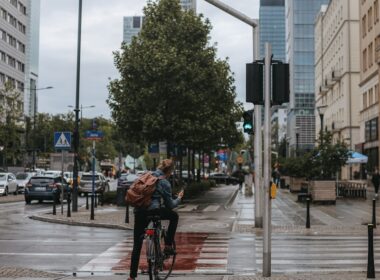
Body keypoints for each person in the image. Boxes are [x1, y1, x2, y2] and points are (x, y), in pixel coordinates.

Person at [128, 159, 184, 280]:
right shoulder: (164, 182)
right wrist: (179, 198)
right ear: (169, 171)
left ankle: (132, 276)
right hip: (154, 211)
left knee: (137, 244)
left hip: (139, 212)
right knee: (174, 216)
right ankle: (168, 245)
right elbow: (170, 205)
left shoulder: (146, 175)